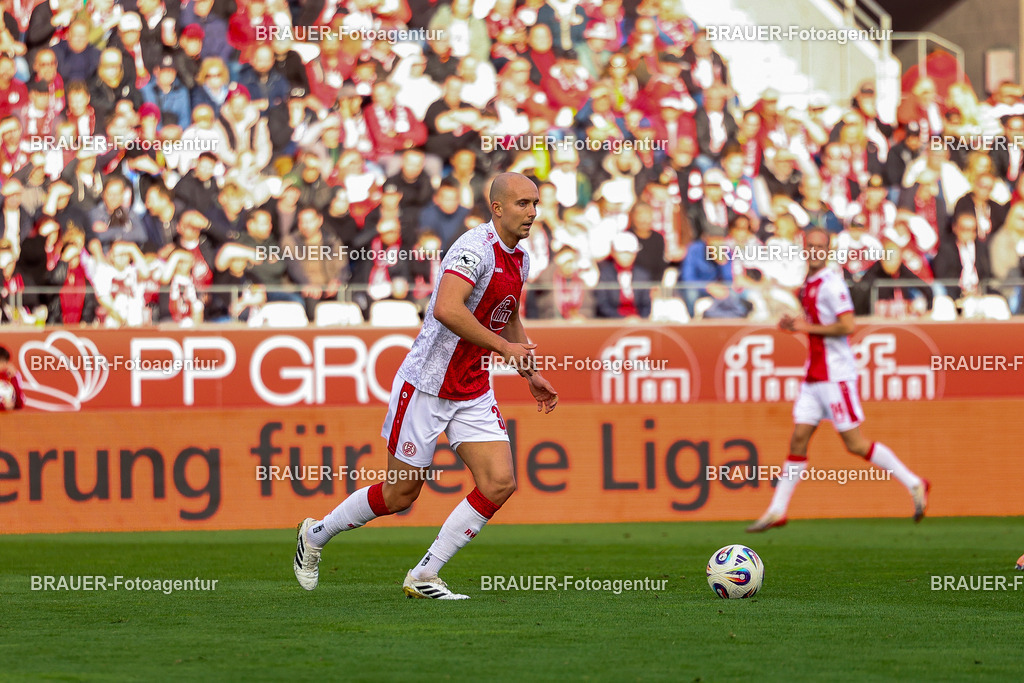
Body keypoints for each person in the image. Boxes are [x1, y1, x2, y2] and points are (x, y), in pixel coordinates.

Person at [294, 172, 558, 600]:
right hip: (427, 384)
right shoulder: (475, 250)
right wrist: (503, 350)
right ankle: (316, 533)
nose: (532, 212)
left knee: (499, 483)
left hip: (472, 386)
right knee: (400, 494)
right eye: (523, 204)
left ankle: (424, 573)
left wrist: (528, 370)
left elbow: (507, 313)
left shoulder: (520, 259)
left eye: (535, 203)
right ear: (497, 207)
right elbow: (446, 309)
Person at [747, 226, 929, 533]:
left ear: (828, 250)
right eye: (811, 245)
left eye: (821, 246)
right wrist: (796, 323)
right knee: (798, 438)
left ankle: (914, 482)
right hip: (814, 375)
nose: (816, 251)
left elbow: (848, 326)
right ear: (804, 247)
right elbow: (816, 322)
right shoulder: (808, 284)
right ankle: (777, 510)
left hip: (836, 376)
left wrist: (804, 329)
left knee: (855, 444)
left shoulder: (832, 284)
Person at [0, 344, 25, 411]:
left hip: (9, 417)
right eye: (2, 362)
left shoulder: (13, 376)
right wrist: (2, 406)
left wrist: (13, 377)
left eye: (5, 362)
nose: (4, 365)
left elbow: (19, 403)